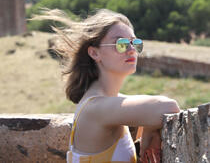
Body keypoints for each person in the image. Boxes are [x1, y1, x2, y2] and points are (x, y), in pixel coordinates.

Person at [33, 9, 180, 162]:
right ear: (95, 53)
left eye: (135, 43)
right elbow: (169, 107)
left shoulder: (106, 100)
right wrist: (150, 130)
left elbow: (153, 109)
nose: (131, 51)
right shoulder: (96, 108)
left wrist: (151, 129)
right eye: (121, 44)